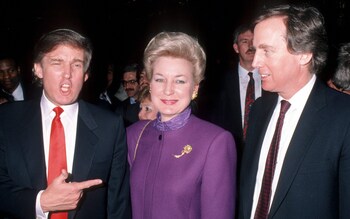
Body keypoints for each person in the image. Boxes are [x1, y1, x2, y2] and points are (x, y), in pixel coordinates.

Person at [0, 29, 130, 219]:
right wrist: (40, 202)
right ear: (38, 69)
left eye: (76, 64)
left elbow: (117, 203)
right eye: (57, 62)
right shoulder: (6, 119)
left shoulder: (110, 126)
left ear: (85, 74)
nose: (67, 74)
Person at [238, 4, 350, 219]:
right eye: (254, 49)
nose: (255, 62)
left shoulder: (343, 118)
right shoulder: (259, 110)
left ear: (304, 54)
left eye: (266, 50)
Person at [127, 31, 236, 219]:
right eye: (160, 79)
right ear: (150, 84)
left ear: (195, 88)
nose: (168, 90)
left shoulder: (216, 142)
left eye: (179, 81)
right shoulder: (134, 134)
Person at [211, 23, 270, 164]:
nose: (250, 46)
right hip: (231, 154)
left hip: (264, 153)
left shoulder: (272, 80)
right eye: (244, 41)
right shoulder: (219, 83)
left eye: (253, 42)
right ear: (236, 48)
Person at [115, 63, 141, 127]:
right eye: (125, 82)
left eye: (132, 82)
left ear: (141, 81)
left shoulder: (153, 104)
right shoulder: (120, 109)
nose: (127, 87)